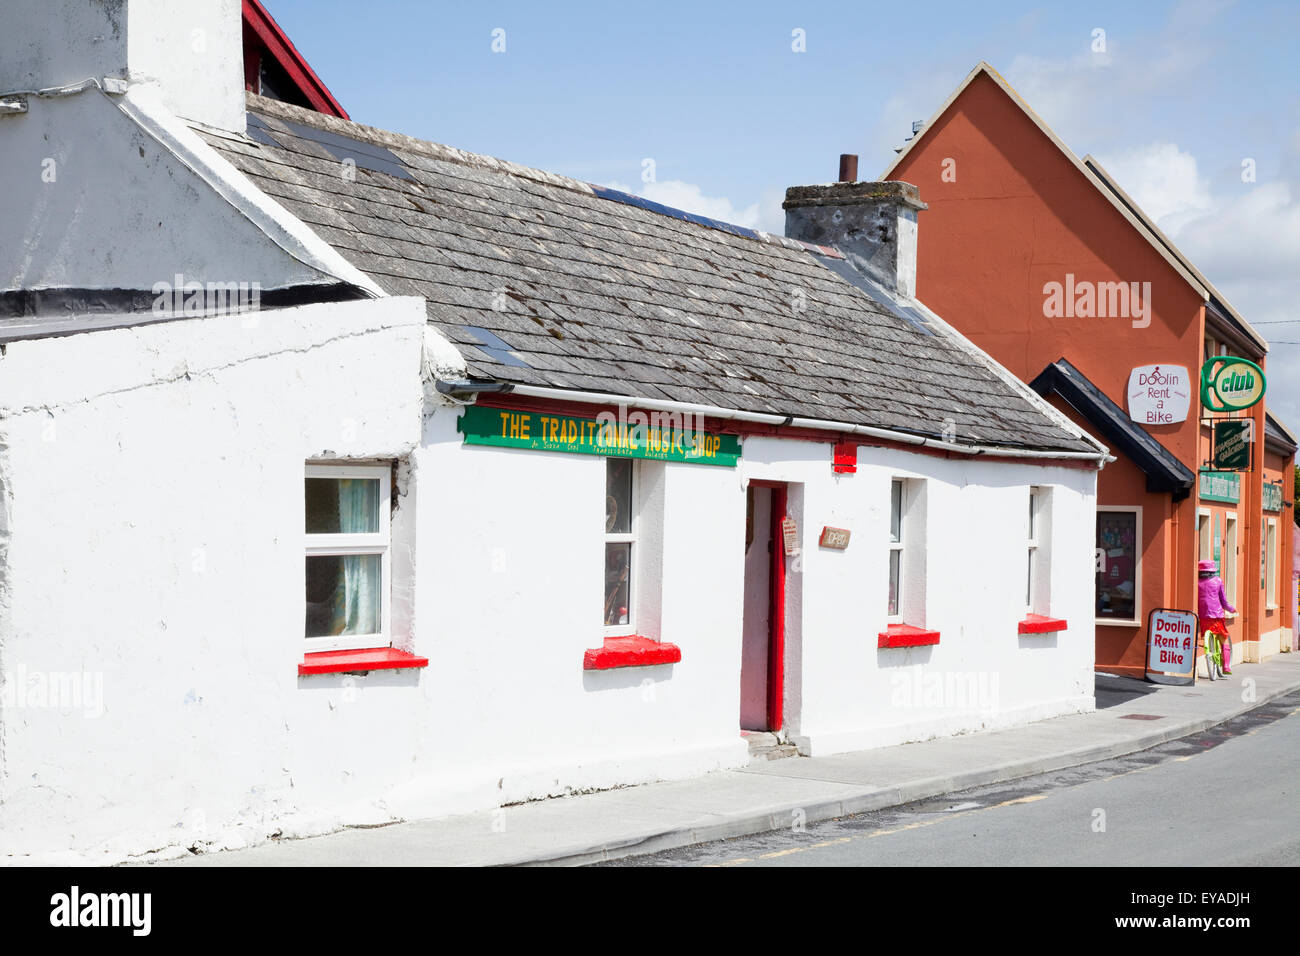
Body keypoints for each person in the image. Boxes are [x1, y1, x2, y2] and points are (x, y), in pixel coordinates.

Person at [1197, 559, 1237, 675]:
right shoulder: (1218, 581)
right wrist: (1232, 609)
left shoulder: (1196, 582)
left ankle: (1209, 650)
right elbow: (1223, 602)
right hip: (1217, 615)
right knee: (1223, 639)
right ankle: (1226, 666)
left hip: (1203, 615)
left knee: (1207, 635)